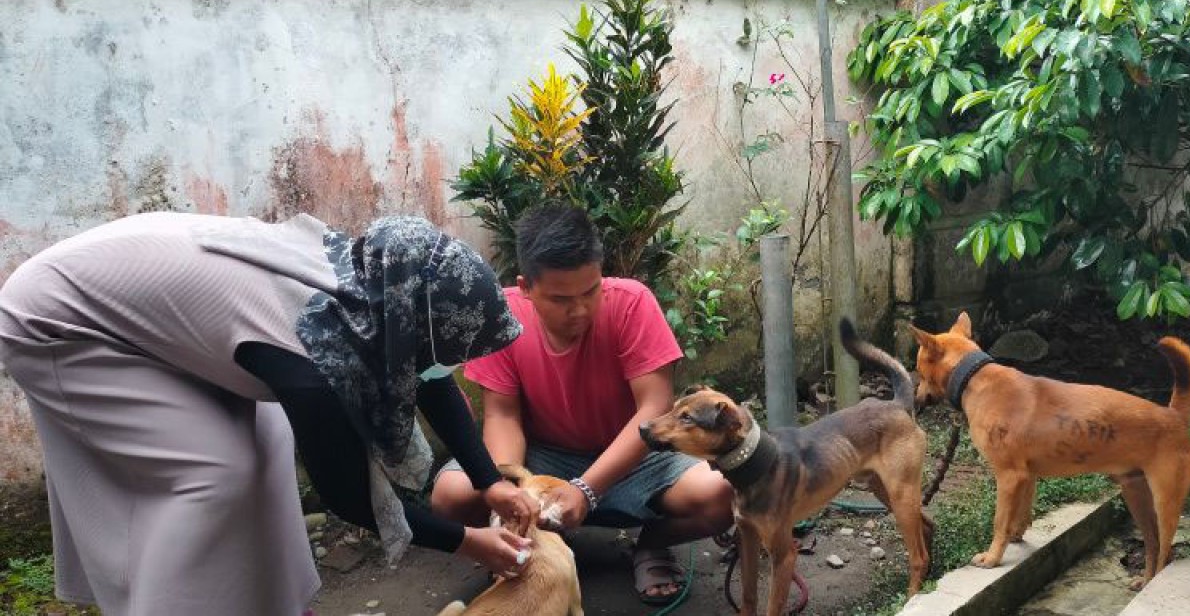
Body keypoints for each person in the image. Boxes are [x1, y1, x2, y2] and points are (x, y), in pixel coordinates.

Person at [0, 211, 541, 616]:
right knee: (215, 474)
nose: (442, 363)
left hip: (128, 298)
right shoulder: (312, 362)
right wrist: (470, 543)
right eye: (443, 347)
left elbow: (426, 375)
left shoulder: (372, 288)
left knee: (271, 445)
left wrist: (487, 481)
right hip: (59, 320)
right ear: (411, 329)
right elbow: (352, 501)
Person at [431, 204, 736, 606]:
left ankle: (652, 543)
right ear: (525, 287)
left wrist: (587, 490)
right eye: (560, 299)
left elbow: (653, 409)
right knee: (450, 495)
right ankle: (530, 539)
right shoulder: (501, 316)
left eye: (590, 292)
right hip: (543, 457)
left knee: (723, 493)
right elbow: (503, 414)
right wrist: (511, 491)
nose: (580, 310)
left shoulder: (632, 303)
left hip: (637, 457)